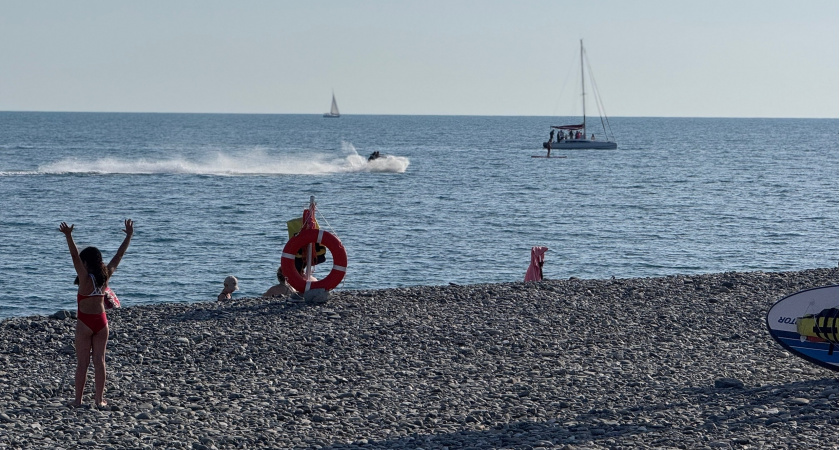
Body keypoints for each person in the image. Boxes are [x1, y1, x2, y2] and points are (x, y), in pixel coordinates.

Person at [59, 219, 134, 408]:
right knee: (100, 362)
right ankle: (99, 400)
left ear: (86, 263)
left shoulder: (84, 279)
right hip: (102, 322)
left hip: (85, 323)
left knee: (82, 364)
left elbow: (74, 256)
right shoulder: (105, 276)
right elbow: (118, 255)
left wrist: (69, 236)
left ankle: (78, 400)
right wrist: (129, 236)